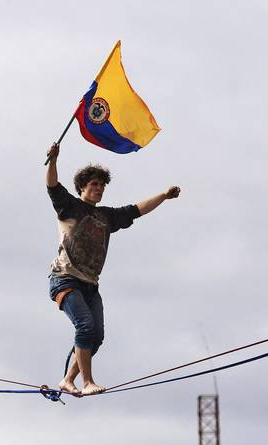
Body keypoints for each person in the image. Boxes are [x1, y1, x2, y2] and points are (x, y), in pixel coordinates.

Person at [45, 141, 180, 396]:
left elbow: (137, 210)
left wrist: (163, 196)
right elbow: (52, 185)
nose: (99, 188)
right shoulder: (69, 206)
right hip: (65, 279)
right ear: (82, 187)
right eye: (94, 184)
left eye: (102, 185)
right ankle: (87, 382)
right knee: (85, 327)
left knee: (96, 337)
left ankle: (68, 380)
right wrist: (53, 160)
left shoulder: (106, 216)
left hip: (90, 285)